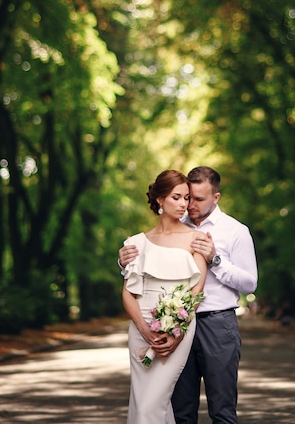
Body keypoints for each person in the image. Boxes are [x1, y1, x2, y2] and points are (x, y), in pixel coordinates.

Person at [119, 166, 258, 424]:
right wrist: (123, 262)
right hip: (174, 325)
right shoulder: (175, 224)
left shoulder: (235, 230)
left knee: (222, 410)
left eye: (196, 199)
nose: (189, 204)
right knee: (181, 411)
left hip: (217, 324)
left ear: (215, 197)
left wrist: (215, 259)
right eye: (185, 197)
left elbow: (250, 284)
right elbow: (146, 266)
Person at [122, 169, 207, 424]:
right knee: (144, 403)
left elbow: (196, 293)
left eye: (186, 198)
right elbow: (127, 293)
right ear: (160, 199)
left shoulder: (196, 240)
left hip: (178, 327)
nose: (184, 204)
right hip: (141, 327)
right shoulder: (137, 242)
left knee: (151, 404)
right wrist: (144, 330)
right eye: (176, 197)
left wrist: (176, 332)